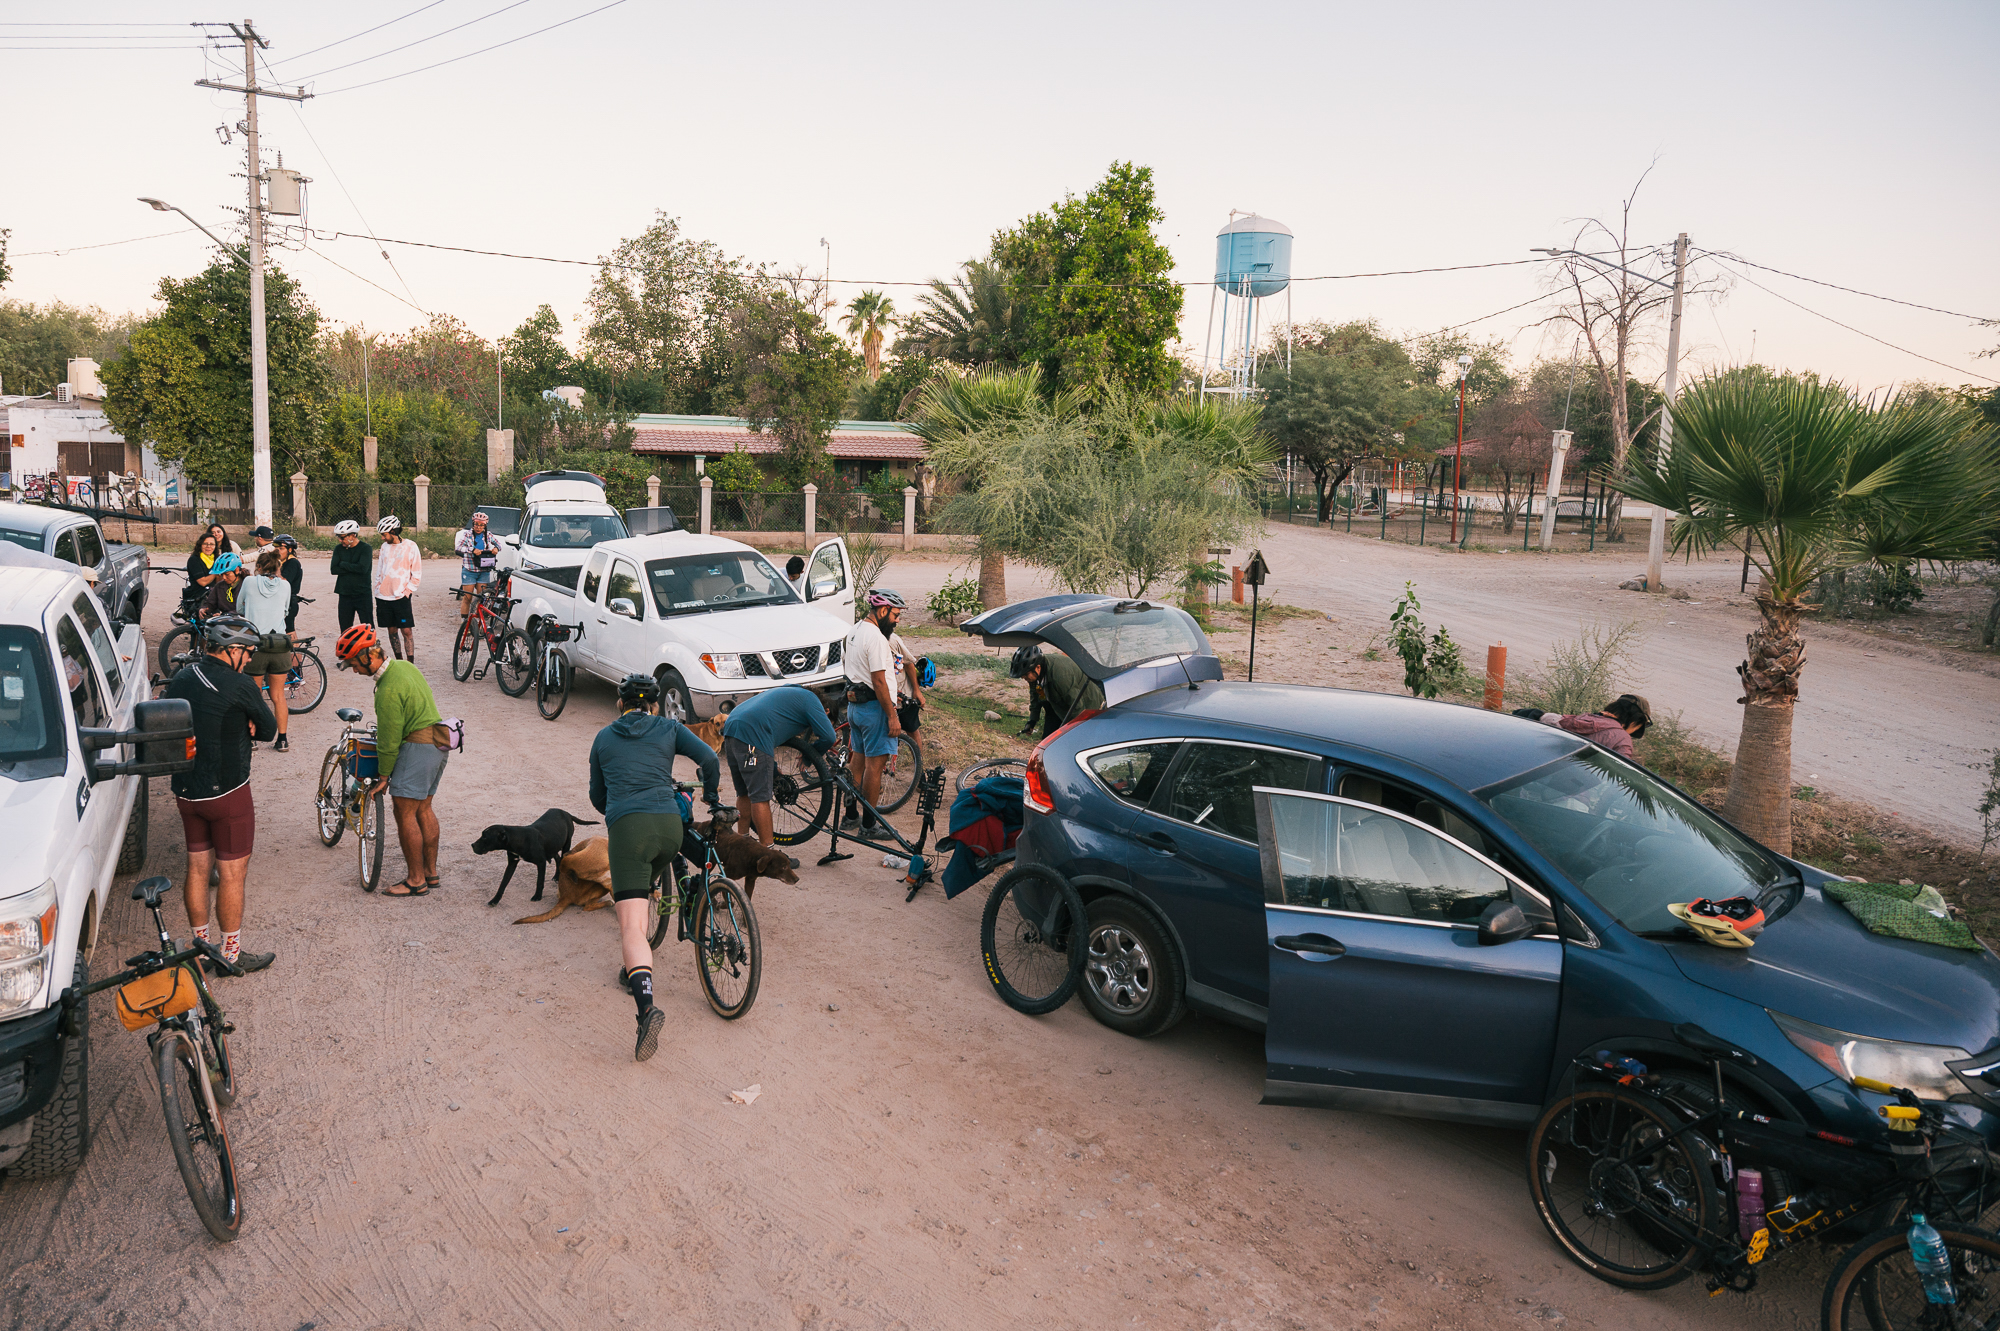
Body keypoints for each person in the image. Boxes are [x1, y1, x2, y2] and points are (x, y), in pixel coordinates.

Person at [588, 674, 721, 1062]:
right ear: (654, 705)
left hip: (629, 830)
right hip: (669, 827)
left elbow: (597, 795)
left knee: (631, 925)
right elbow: (710, 758)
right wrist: (710, 793)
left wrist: (618, 812)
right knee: (659, 863)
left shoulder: (603, 738)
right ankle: (689, 898)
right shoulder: (669, 727)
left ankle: (646, 1007)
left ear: (620, 704)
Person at [162, 615, 277, 976]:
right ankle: (229, 954)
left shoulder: (182, 677)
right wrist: (249, 723)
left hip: (187, 791)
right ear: (233, 650)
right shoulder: (239, 684)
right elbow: (270, 729)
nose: (250, 660)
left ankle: (198, 950)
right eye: (249, 653)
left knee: (197, 868)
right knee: (231, 875)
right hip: (228, 794)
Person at [335, 624, 450, 897]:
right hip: (439, 742)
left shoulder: (387, 690)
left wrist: (384, 776)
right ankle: (430, 874)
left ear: (367, 657)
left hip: (418, 747)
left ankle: (415, 880)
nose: (353, 670)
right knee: (424, 809)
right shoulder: (404, 667)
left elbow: (388, 740)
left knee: (404, 812)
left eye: (353, 663)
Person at [720, 684, 837, 849]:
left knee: (745, 792)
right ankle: (768, 854)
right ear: (825, 712)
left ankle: (741, 844)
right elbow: (828, 736)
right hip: (752, 735)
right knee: (760, 797)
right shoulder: (812, 702)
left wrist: (772, 768)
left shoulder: (793, 692)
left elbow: (769, 726)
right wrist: (809, 757)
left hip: (732, 729)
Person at [840, 589, 906, 830]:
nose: (897, 621)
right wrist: (892, 716)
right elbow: (878, 681)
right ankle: (869, 824)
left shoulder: (854, 631)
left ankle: (850, 816)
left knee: (857, 762)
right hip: (874, 709)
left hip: (855, 707)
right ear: (882, 610)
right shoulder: (876, 637)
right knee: (874, 767)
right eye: (895, 615)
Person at [237, 550, 295, 752]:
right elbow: (286, 611)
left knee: (255, 694)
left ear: (259, 567)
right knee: (278, 695)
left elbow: (239, 607)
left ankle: (252, 738)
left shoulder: (249, 582)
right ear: (278, 567)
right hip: (280, 643)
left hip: (256, 644)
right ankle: (283, 739)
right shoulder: (286, 585)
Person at [1514, 694, 1653, 762]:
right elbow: (1623, 776)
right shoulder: (1622, 739)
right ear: (1635, 722)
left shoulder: (1575, 719)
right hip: (1573, 794)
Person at [1010, 644, 1105, 741]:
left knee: (1067, 742)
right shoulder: (1035, 675)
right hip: (1057, 703)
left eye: (1025, 674)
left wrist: (1075, 733)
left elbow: (1076, 707)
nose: (1023, 678)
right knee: (1047, 742)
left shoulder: (1060, 676)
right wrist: (1032, 721)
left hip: (1086, 705)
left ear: (1038, 667)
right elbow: (1037, 696)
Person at [372, 515, 423, 662]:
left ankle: (410, 663)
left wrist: (408, 591)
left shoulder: (411, 546)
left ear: (393, 531)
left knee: (406, 630)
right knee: (392, 630)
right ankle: (399, 661)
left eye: (384, 534)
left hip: (401, 597)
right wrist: (377, 589)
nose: (382, 538)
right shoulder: (384, 547)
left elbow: (417, 572)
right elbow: (380, 570)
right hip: (383, 597)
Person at [454, 510, 502, 620]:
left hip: (483, 571)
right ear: (473, 524)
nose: (478, 527)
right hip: (469, 570)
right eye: (476, 524)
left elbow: (499, 544)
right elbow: (458, 547)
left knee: (482, 597)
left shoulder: (488, 535)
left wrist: (496, 548)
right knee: (468, 597)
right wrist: (472, 549)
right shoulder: (467, 535)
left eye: (481, 525)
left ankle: (479, 621)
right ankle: (465, 622)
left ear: (485, 526)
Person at [329, 520, 374, 632]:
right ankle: (347, 649)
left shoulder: (365, 548)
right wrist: (354, 567)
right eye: (338, 537)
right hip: (344, 594)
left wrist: (343, 564)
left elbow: (363, 569)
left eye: (342, 537)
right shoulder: (339, 549)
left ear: (352, 535)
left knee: (368, 627)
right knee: (345, 628)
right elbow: (334, 569)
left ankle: (370, 649)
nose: (340, 540)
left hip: (362, 594)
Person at [198, 551, 244, 619]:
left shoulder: (246, 585)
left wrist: (225, 615)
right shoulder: (219, 586)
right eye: (222, 574)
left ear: (237, 570)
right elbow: (210, 602)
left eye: (227, 574)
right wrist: (204, 609)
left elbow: (246, 609)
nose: (224, 578)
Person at [183, 532, 221, 613]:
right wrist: (216, 571)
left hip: (213, 593)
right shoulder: (194, 560)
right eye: (205, 544)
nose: (209, 546)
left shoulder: (216, 559)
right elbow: (203, 582)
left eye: (212, 544)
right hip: (198, 595)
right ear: (200, 545)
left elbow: (219, 581)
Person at [273, 534, 304, 635]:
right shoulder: (282, 562)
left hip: (289, 602)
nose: (277, 552)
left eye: (281, 549)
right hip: (282, 601)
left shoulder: (293, 563)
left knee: (289, 631)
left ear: (289, 549)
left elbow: (284, 582)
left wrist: (276, 569)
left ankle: (297, 650)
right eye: (276, 549)